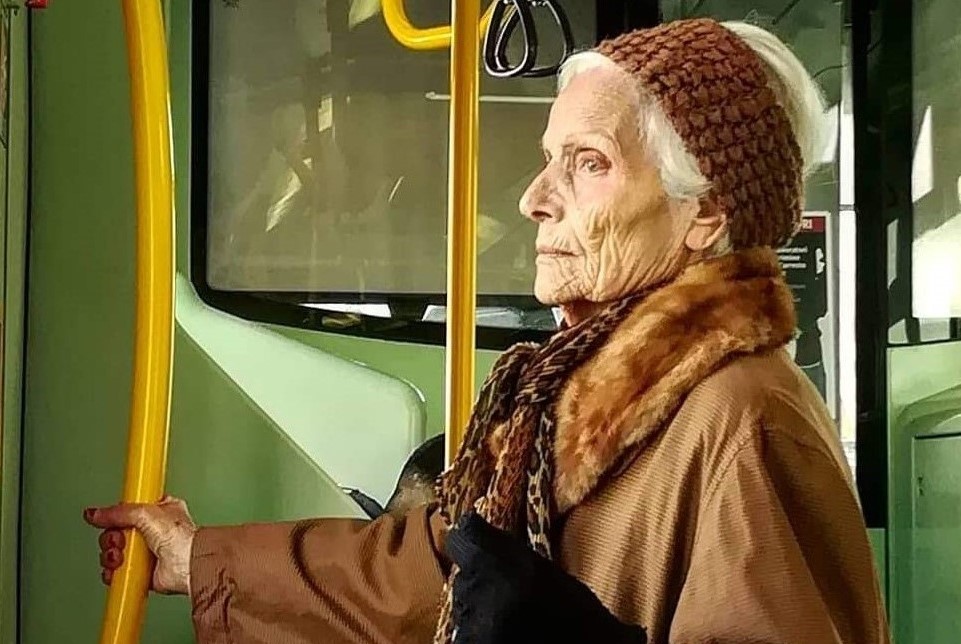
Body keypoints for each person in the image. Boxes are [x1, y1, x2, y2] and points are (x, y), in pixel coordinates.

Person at [85, 18, 890, 644]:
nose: (535, 198)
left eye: (588, 163)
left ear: (704, 213)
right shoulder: (583, 393)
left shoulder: (745, 420)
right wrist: (202, 561)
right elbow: (442, 575)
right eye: (549, 159)